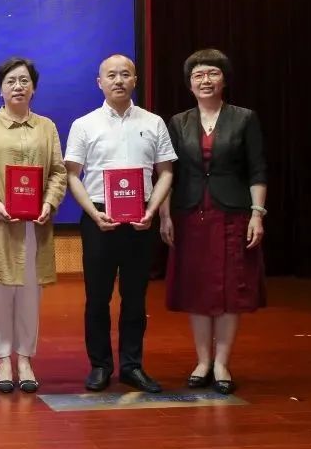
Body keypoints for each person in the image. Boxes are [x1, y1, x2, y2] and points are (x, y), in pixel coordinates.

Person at [64, 54, 176, 393]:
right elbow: (72, 175)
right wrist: (93, 212)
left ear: (135, 80)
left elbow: (166, 172)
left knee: (135, 297)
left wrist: (152, 211)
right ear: (99, 82)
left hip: (140, 217)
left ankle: (132, 366)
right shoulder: (84, 124)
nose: (118, 80)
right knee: (97, 297)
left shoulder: (154, 122)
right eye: (111, 75)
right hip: (99, 217)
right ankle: (100, 366)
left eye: (125, 74)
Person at [160, 49, 266, 395]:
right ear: (189, 84)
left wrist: (257, 213)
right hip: (190, 215)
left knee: (231, 290)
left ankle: (222, 363)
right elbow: (168, 173)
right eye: (198, 75)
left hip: (232, 214)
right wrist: (165, 214)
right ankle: (202, 361)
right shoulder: (178, 122)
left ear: (224, 80)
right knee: (197, 289)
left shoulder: (244, 118)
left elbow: (257, 170)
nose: (205, 81)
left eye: (212, 74)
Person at [0, 57, 67, 394]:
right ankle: (2, 360)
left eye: (24, 81)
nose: (18, 87)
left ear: (33, 88)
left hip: (35, 224)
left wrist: (49, 203)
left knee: (29, 293)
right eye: (11, 81)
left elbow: (58, 172)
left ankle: (24, 358)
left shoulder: (47, 127)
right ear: (0, 89)